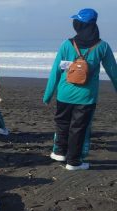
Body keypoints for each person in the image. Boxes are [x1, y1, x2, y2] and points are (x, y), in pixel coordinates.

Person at [43, 8, 117, 170]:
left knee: (62, 123)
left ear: (79, 24)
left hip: (64, 93)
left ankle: (60, 152)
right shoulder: (102, 46)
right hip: (86, 97)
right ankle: (74, 162)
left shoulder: (67, 44)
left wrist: (48, 94)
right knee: (79, 128)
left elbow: (56, 70)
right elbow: (114, 71)